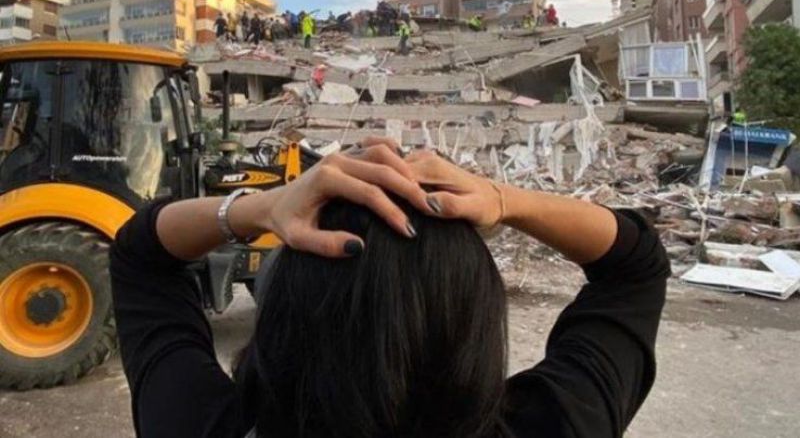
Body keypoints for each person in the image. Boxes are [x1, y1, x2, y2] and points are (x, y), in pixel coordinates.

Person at [111, 138, 670, 437]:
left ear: (283, 311)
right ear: (475, 319)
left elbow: (141, 255)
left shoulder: (202, 424)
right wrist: (504, 200)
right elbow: (634, 264)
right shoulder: (560, 422)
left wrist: (263, 207)